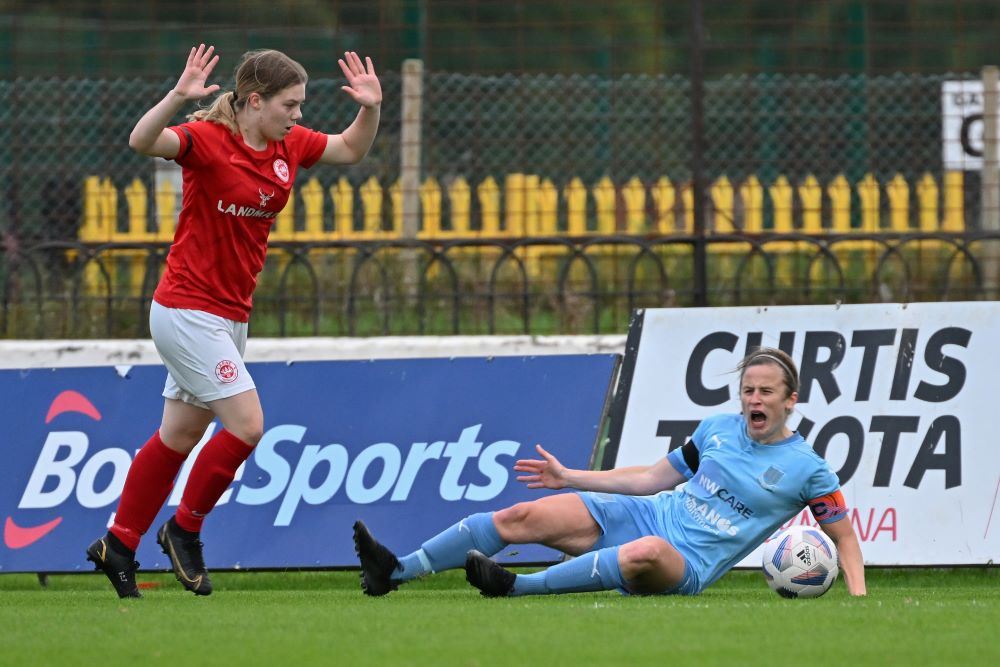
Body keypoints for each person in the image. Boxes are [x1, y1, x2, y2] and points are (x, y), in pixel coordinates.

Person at [86, 44, 382, 598]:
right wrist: (177, 95)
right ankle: (183, 530)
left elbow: (349, 149)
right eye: (289, 104)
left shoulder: (288, 146)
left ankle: (119, 544)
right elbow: (142, 141)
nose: (298, 115)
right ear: (254, 100)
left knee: (180, 434)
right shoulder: (207, 142)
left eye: (300, 105)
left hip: (228, 317)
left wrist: (369, 108)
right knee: (247, 426)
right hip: (185, 309)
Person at [354, 347, 867, 598]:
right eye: (748, 390)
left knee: (646, 552)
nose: (754, 399)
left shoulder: (809, 470)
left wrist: (859, 602)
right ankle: (394, 571)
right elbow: (650, 479)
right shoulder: (717, 429)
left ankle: (515, 588)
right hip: (641, 515)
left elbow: (843, 537)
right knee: (522, 514)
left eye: (766, 392)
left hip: (681, 562)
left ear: (790, 401)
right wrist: (570, 477)